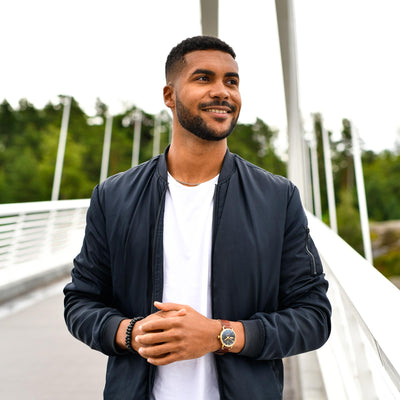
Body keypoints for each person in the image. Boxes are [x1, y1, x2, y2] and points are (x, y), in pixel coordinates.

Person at [64, 35, 331, 400]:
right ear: (169, 96)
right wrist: (129, 332)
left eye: (231, 81)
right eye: (203, 78)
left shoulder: (277, 198)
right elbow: (80, 302)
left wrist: (220, 335)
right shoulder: (113, 197)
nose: (222, 92)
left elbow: (314, 316)